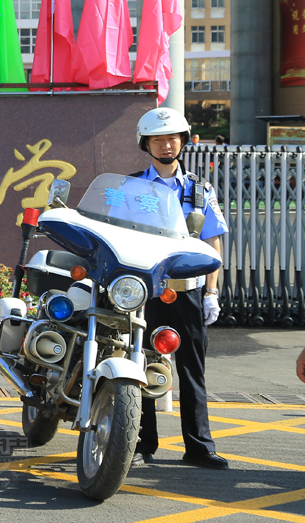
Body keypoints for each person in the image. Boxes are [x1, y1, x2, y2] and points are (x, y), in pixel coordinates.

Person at [131, 107, 228, 470]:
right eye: (159, 138)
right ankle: (141, 442)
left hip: (188, 291)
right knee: (140, 366)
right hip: (146, 291)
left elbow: (212, 243)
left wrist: (212, 293)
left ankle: (199, 446)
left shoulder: (200, 190)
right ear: (146, 144)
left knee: (191, 370)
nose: (167, 144)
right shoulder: (131, 188)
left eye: (173, 137)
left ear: (184, 141)